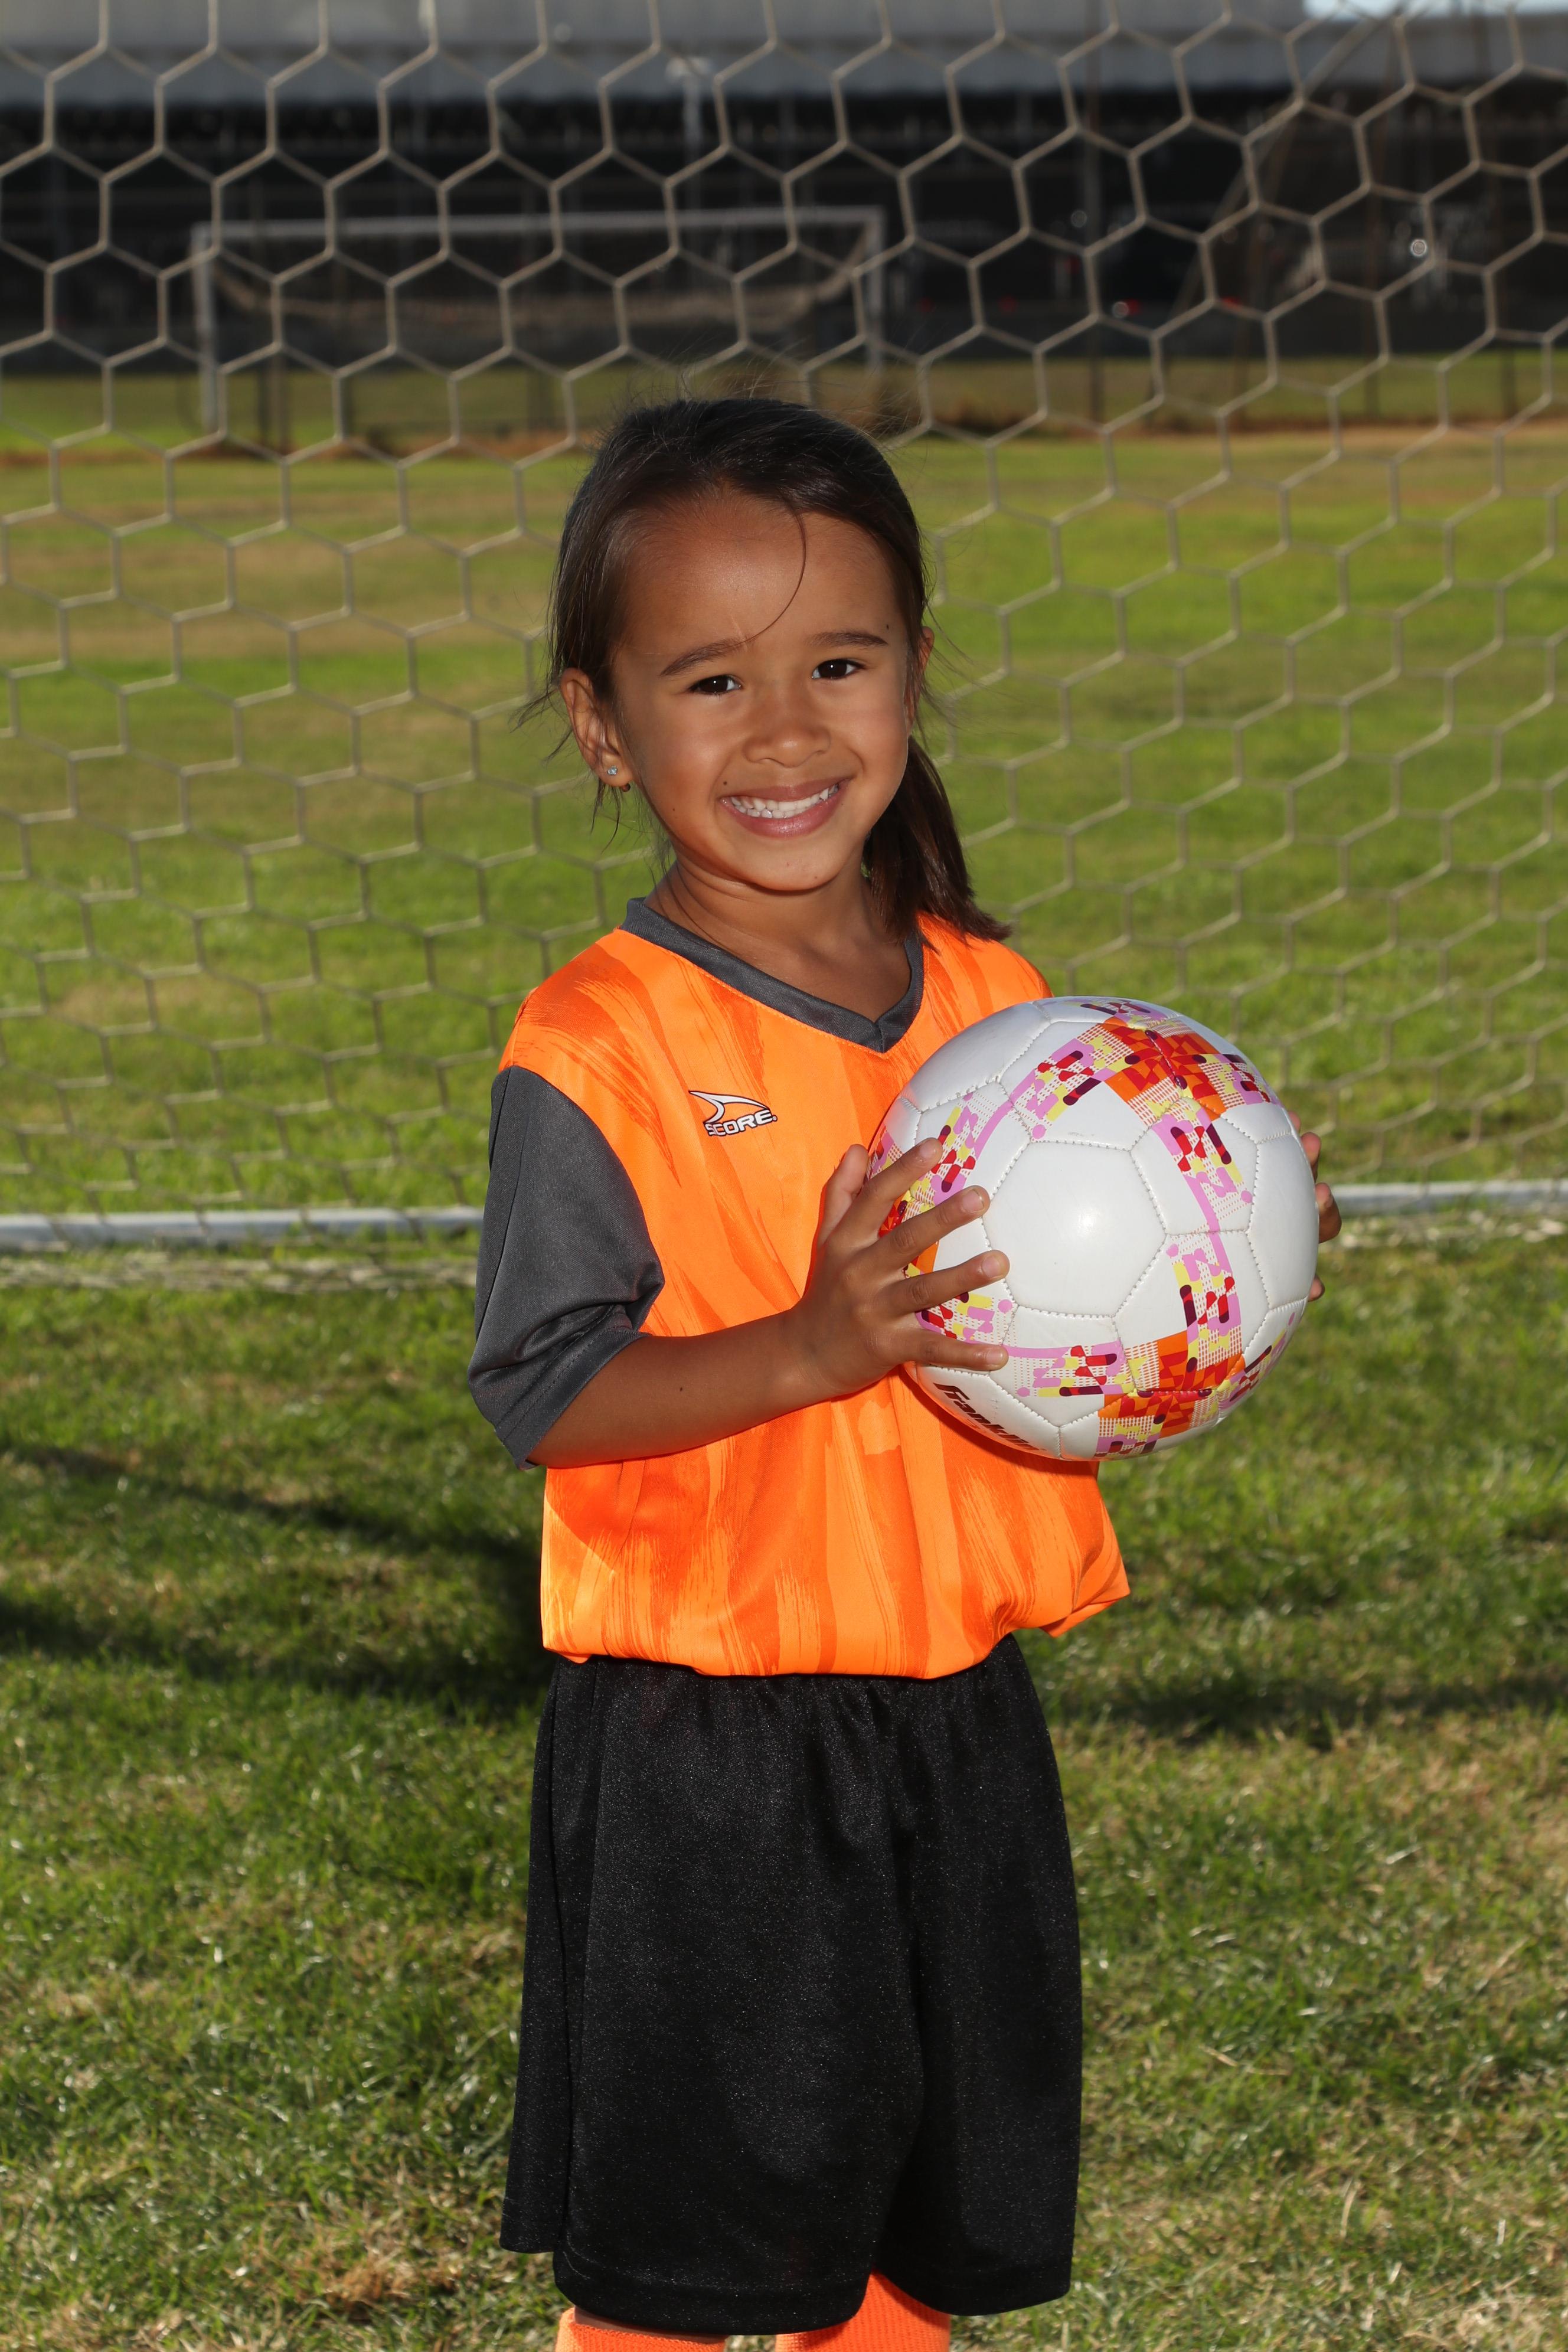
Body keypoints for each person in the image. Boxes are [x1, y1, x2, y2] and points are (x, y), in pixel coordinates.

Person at [470, 396, 1340, 2352]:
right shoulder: (600, 1046)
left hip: (957, 1721)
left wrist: (1240, 1238)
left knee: (912, 2228)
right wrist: (808, 1346)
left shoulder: (996, 1005)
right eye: (712, 681)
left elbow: (1100, 1270)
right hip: (711, 1752)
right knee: (691, 2256)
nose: (785, 733)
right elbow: (545, 1390)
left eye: (839, 666)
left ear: (917, 673)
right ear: (604, 725)